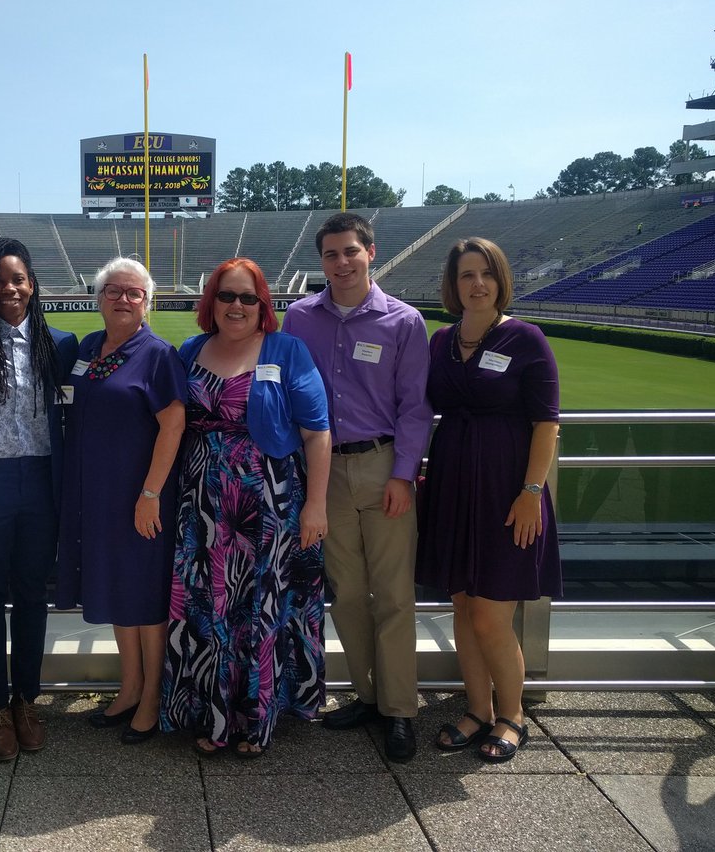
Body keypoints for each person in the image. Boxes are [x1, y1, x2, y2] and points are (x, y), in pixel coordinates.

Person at [161, 258, 332, 758]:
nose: (236, 306)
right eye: (226, 296)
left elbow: (317, 433)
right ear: (211, 301)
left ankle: (254, 721)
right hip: (201, 506)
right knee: (208, 606)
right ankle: (212, 715)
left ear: (263, 305)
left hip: (270, 501)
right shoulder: (190, 351)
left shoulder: (287, 350)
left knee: (260, 606)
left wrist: (316, 506)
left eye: (247, 298)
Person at [282, 211, 432, 763]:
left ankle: (399, 709)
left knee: (393, 595)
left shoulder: (404, 321)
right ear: (320, 261)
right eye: (330, 255)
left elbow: (416, 407)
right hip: (323, 473)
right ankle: (368, 696)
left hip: (382, 463)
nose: (341, 263)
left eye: (350, 252)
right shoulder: (299, 318)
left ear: (371, 251)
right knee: (345, 593)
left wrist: (402, 474)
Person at [416, 237, 561, 764]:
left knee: (492, 615)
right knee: (461, 603)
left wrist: (531, 494)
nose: (476, 284)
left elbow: (547, 425)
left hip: (506, 491)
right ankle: (477, 709)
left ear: (500, 278)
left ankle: (512, 715)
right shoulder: (441, 341)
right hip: (452, 485)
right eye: (465, 275)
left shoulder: (526, 339)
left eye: (485, 274)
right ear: (452, 285)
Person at [0, 236, 77, 762]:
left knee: (30, 594)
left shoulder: (61, 343)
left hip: (42, 481)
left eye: (20, 279)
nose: (11, 288)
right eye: (1, 280)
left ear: (33, 284)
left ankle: (27, 699)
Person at [55, 256, 186, 744]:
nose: (124, 299)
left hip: (140, 495)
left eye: (135, 293)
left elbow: (174, 424)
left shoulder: (157, 354)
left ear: (147, 302)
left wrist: (150, 493)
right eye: (115, 290)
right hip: (97, 494)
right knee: (118, 593)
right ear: (99, 297)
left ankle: (152, 695)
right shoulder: (89, 346)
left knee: (145, 598)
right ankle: (129, 687)